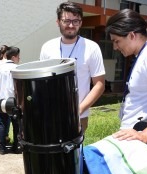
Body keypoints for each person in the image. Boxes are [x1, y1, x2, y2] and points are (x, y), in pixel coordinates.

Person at [106, 9, 147, 158]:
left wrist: (146, 135)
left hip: (146, 146)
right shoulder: (143, 56)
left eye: (116, 41)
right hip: (134, 141)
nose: (115, 47)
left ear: (132, 35)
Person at [40, 1, 105, 133]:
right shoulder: (47, 47)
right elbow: (42, 81)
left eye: (76, 21)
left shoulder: (91, 48)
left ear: (81, 23)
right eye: (66, 20)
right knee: (52, 152)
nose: (71, 25)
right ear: (58, 22)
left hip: (79, 116)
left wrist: (78, 110)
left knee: (75, 153)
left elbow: (99, 85)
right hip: (51, 114)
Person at [0, 46, 21, 155]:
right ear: (13, 57)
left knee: (2, 123)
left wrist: (1, 92)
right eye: (18, 56)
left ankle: (3, 148)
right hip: (14, 101)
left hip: (2, 100)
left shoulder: (0, 68)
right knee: (16, 124)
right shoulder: (17, 68)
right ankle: (16, 147)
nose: (19, 58)